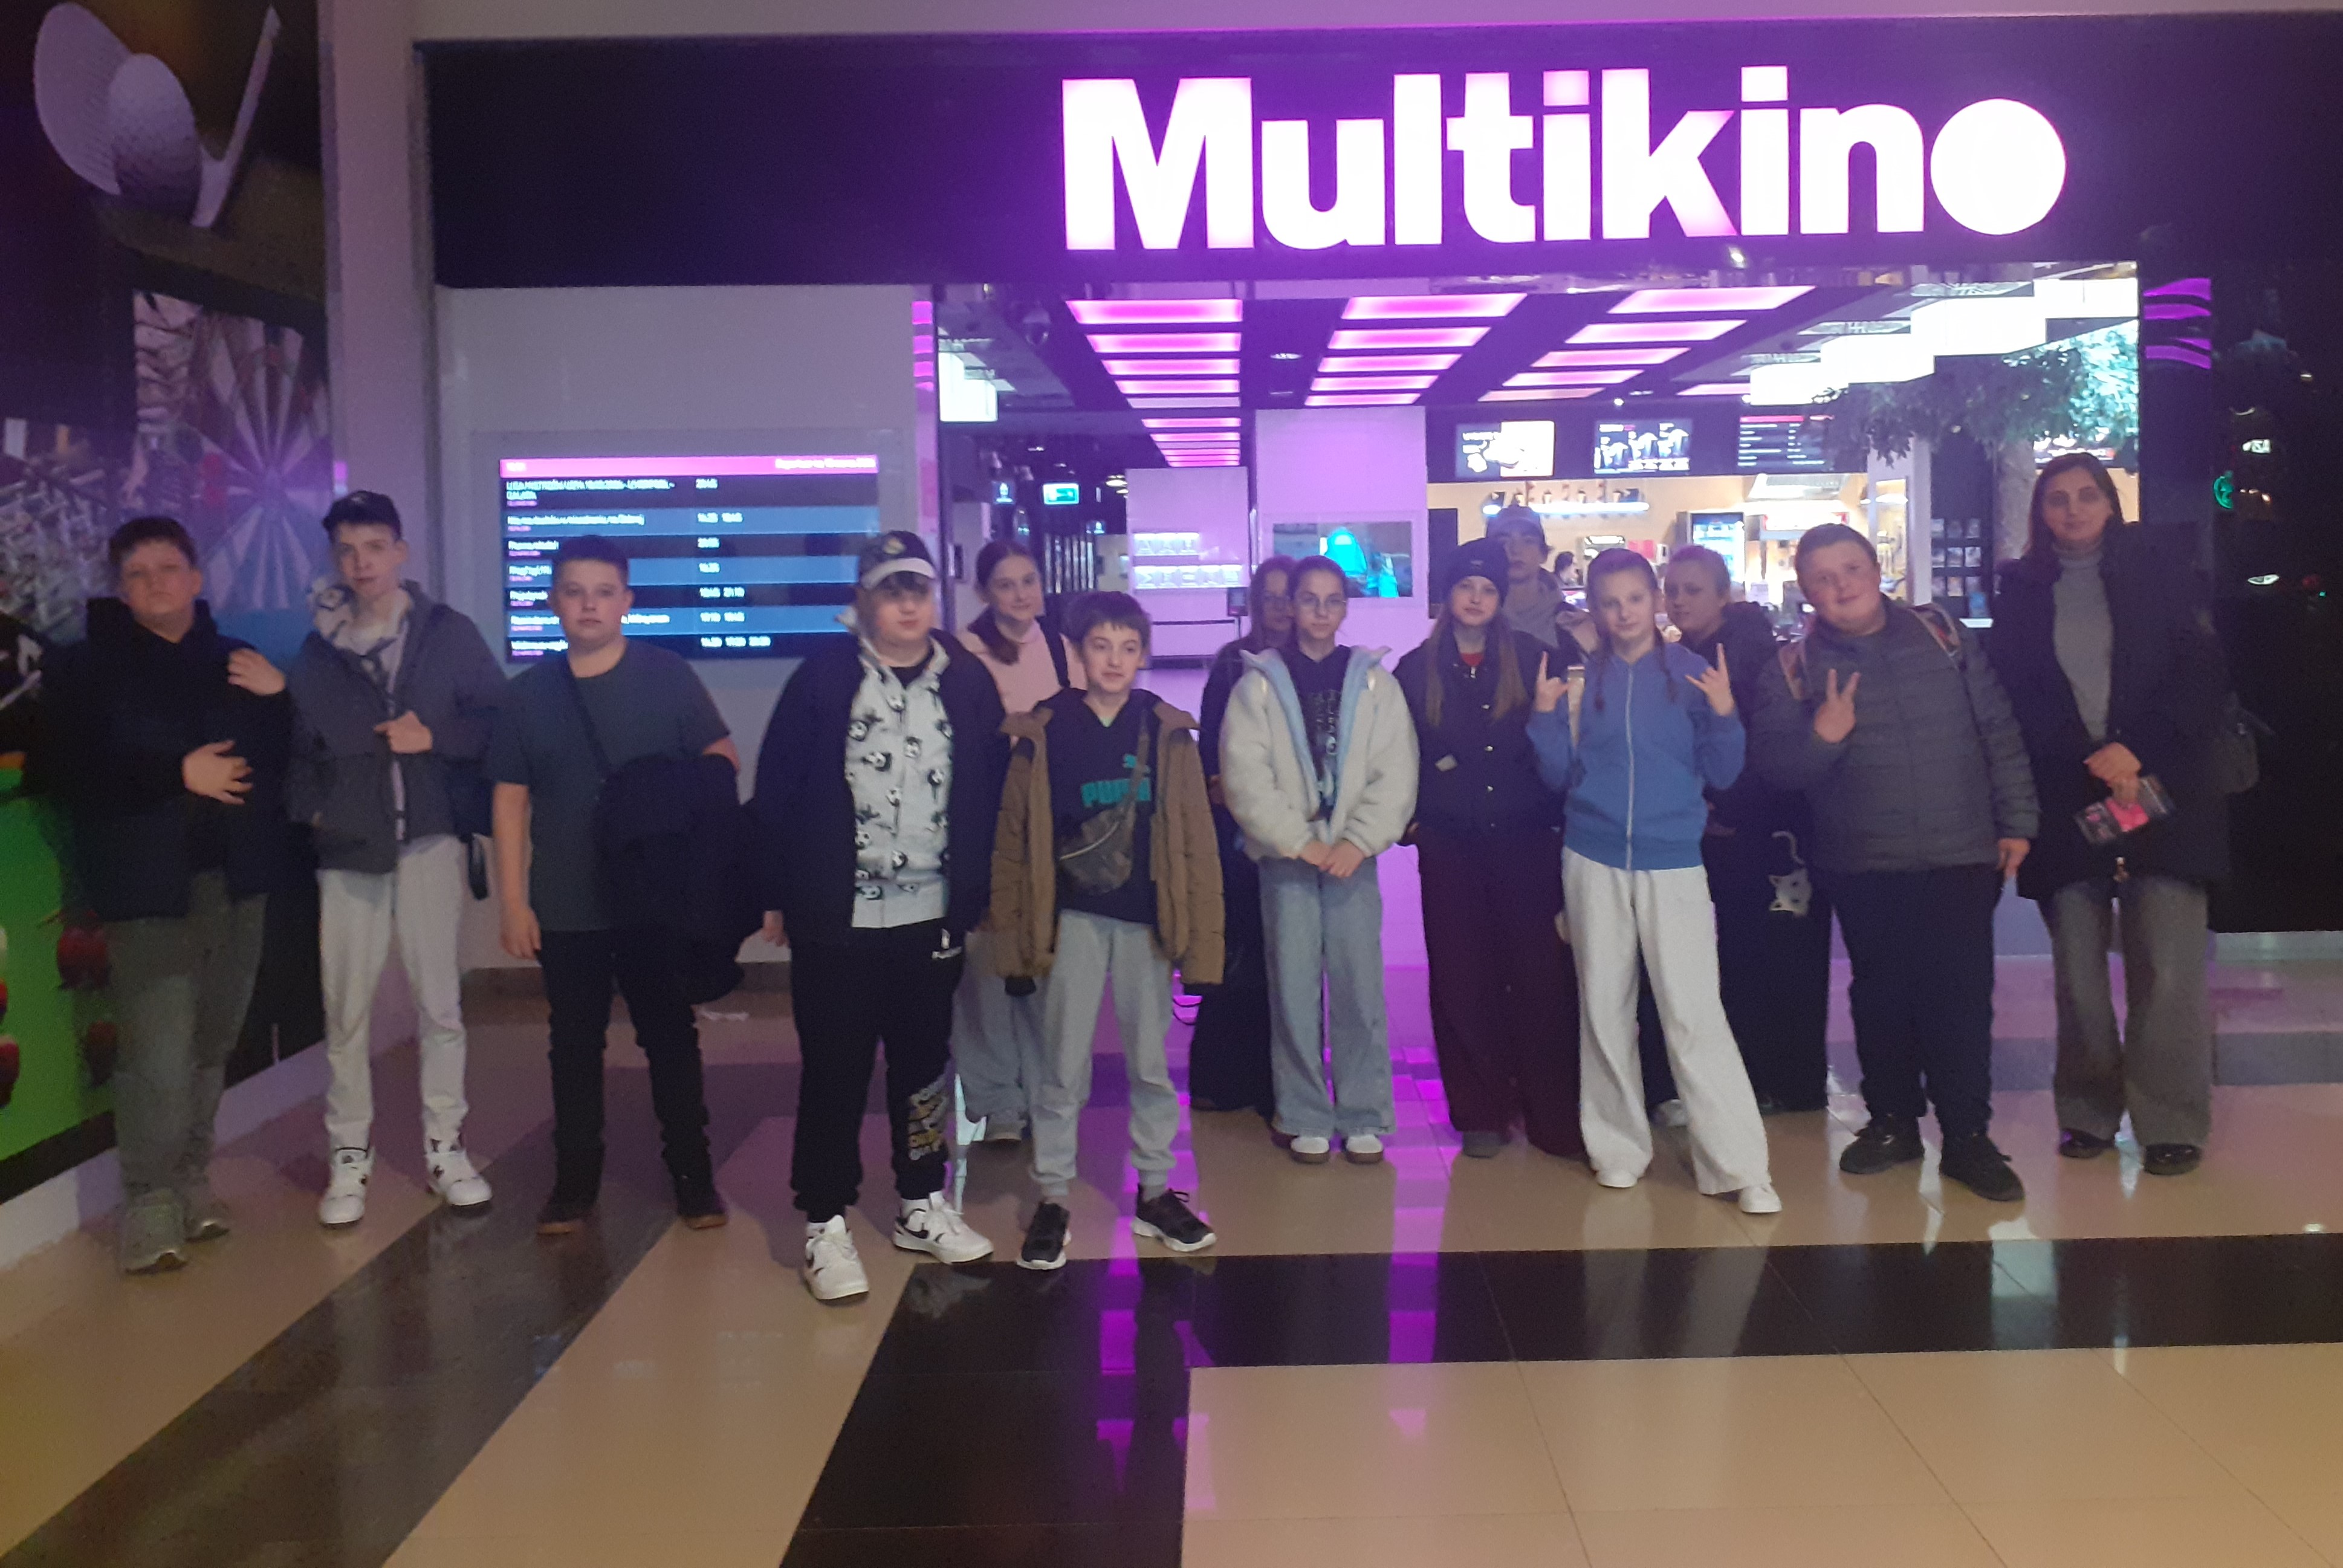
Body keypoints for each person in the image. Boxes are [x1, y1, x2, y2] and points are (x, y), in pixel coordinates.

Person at [1749, 523, 2039, 1202]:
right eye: (1823, 578)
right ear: (1806, 591)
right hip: (1863, 859)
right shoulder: (1790, 667)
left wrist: (2018, 819)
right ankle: (1892, 1123)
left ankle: (1967, 1136)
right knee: (1881, 995)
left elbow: (1998, 729)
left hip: (1961, 848)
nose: (1841, 586)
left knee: (1961, 998)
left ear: (1875, 569)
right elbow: (1776, 768)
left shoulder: (1944, 637)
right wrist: (1823, 738)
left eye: (1851, 569)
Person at [754, 531, 1005, 1301]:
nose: (907, 605)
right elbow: (779, 789)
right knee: (835, 1067)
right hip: (840, 916)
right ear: (864, 599)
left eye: (918, 590)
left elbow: (990, 790)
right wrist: (777, 891)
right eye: (891, 590)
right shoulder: (823, 679)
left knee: (924, 1067)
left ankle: (921, 1199)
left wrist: (978, 893)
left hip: (930, 913)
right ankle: (824, 1219)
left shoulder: (966, 680)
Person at [45, 516, 289, 1272]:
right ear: (121, 589)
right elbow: (66, 770)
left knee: (212, 1046)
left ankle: (190, 1182)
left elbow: (281, 764)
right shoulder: (85, 669)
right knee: (157, 1055)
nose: (155, 583)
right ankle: (148, 1207)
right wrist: (174, 773)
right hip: (147, 892)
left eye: (168, 568)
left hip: (236, 884)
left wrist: (281, 700)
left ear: (196, 578)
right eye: (138, 573)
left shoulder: (237, 661)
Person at [1987, 456, 2229, 1176]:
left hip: (2163, 791)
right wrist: (2090, 757)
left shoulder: (2161, 571)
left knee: (2170, 972)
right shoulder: (2020, 589)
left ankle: (2171, 1122)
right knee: (2080, 979)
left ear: (2109, 502)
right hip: (2070, 799)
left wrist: (2135, 750)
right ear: (2041, 512)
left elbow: (2204, 674)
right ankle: (2088, 1112)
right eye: (2057, 499)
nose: (2073, 509)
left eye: (2087, 495)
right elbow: (2016, 694)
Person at [488, 535, 735, 1236]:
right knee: (573, 1045)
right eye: (574, 591)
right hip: (566, 903)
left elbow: (721, 759)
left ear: (627, 600)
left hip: (653, 901)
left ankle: (693, 1178)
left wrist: (671, 815)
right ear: (554, 602)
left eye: (603, 592)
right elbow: (509, 800)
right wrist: (514, 902)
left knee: (671, 1038)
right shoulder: (527, 694)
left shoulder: (668, 675)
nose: (589, 605)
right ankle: (574, 1184)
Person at [1528, 549, 1778, 1213]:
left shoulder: (1695, 674)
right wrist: (1545, 718)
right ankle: (1617, 1148)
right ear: (1596, 609)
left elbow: (1723, 772)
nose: (1624, 613)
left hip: (1673, 860)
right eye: (1610, 602)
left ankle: (1738, 1164)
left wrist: (1724, 712)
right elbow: (1559, 775)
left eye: (1635, 599)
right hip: (1593, 856)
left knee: (1694, 1012)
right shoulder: (1583, 682)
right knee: (1604, 1008)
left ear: (1656, 602)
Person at [287, 491, 505, 1227]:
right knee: (345, 1012)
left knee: (439, 1005)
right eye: (347, 551)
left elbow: (495, 721)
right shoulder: (319, 649)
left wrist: (433, 737)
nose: (361, 564)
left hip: (430, 841)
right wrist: (315, 812)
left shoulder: (449, 634)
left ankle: (446, 1146)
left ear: (401, 552)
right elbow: (299, 750)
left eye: (375, 547)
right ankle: (350, 1154)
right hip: (348, 850)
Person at [987, 591, 1222, 1268]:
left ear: (1143, 654)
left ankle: (1155, 1190)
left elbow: (1196, 842)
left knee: (1151, 1065)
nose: (1114, 660)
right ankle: (1053, 1194)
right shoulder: (1046, 729)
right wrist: (1012, 938)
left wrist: (1204, 943)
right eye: (1100, 646)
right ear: (1077, 653)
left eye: (1128, 647)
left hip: (1147, 919)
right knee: (1061, 1067)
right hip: (1071, 919)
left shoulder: (1164, 728)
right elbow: (1013, 839)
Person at [1218, 555, 1418, 1165]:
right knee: (1294, 988)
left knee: (1360, 987)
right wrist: (1298, 841)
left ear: (1345, 608)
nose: (1321, 612)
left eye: (1333, 601)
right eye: (1309, 599)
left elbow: (1396, 769)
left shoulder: (1376, 683)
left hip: (1352, 860)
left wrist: (1358, 840)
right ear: (1291, 605)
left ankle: (1363, 1111)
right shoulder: (1257, 684)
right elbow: (1246, 775)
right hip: (1288, 861)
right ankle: (1304, 1110)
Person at [1392, 536, 1581, 1159]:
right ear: (1448, 594)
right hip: (1450, 847)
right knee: (1461, 977)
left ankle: (1551, 1109)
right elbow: (1397, 754)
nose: (1476, 599)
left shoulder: (1535, 658)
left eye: (1488, 589)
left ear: (1501, 598)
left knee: (1539, 977)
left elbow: (1563, 743)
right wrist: (1412, 821)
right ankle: (1480, 1110)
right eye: (1466, 587)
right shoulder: (1415, 671)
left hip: (1527, 841)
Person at [1663, 546, 1830, 1113]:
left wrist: (1726, 807)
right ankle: (1775, 1078)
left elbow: (1757, 744)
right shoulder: (1698, 652)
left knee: (1766, 953)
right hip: (1741, 827)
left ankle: (1779, 1080)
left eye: (1693, 590)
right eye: (1673, 590)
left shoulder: (1746, 655)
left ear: (1722, 595)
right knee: (1751, 951)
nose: (1680, 601)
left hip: (1762, 830)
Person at [950, 537, 1082, 1147]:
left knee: (1044, 962)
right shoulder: (961, 653)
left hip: (1048, 824)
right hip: (985, 823)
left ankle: (1043, 1092)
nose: (1021, 594)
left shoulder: (1060, 647)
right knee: (986, 968)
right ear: (984, 592)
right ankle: (997, 1099)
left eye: (1028, 581)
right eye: (1006, 585)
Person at [1190, 556, 1297, 1119]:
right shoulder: (1233, 663)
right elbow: (1211, 748)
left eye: (1287, 597)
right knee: (1237, 953)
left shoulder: (1310, 662)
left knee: (1288, 959)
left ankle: (1281, 1083)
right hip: (1237, 831)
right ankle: (1223, 1078)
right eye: (1269, 598)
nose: (1279, 609)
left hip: (1297, 830)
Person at [1487, 505, 1596, 653]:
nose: (1516, 550)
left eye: (1528, 541)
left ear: (1543, 553)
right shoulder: (1474, 621)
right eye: (1504, 542)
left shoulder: (1574, 623)